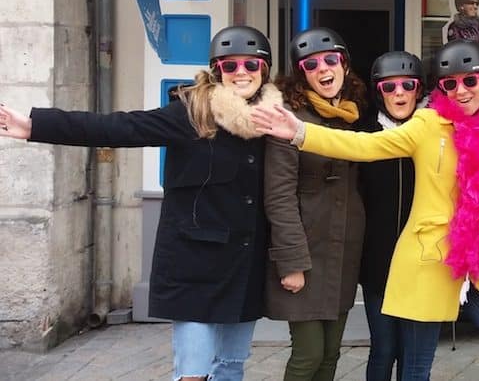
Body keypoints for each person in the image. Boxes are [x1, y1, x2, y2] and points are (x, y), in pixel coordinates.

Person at [251, 40, 479, 381]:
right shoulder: (427, 125)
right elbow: (365, 145)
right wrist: (301, 132)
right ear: (441, 89)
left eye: (470, 81)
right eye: (451, 84)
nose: (462, 91)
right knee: (416, 367)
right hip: (429, 263)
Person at [0, 26, 281, 381]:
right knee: (192, 373)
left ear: (265, 70)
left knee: (230, 366)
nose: (241, 73)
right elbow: (119, 128)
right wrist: (35, 126)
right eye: (230, 65)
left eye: (251, 65)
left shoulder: (275, 121)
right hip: (196, 266)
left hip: (244, 264)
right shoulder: (191, 113)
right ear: (216, 71)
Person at [262, 27, 367, 381]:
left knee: (331, 355)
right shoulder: (288, 119)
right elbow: (279, 196)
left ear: (345, 64)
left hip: (342, 254)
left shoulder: (353, 116)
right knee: (308, 355)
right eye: (311, 64)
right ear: (301, 73)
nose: (323, 69)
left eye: (331, 59)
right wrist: (291, 262)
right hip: (306, 253)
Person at [356, 51, 425, 381]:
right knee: (384, 349)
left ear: (418, 90)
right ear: (378, 91)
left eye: (407, 85)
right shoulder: (364, 132)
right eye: (389, 86)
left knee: (412, 354)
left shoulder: (434, 133)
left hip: (421, 265)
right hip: (378, 264)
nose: (399, 93)